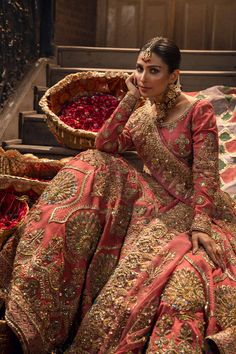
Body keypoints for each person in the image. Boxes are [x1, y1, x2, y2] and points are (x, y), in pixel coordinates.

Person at [2, 37, 236, 353]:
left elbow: (206, 173)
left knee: (184, 275)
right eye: (139, 68)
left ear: (174, 76)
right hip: (156, 198)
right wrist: (128, 99)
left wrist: (199, 224)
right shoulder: (141, 116)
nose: (143, 77)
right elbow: (105, 146)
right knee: (90, 163)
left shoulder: (197, 110)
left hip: (196, 205)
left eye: (154, 70)